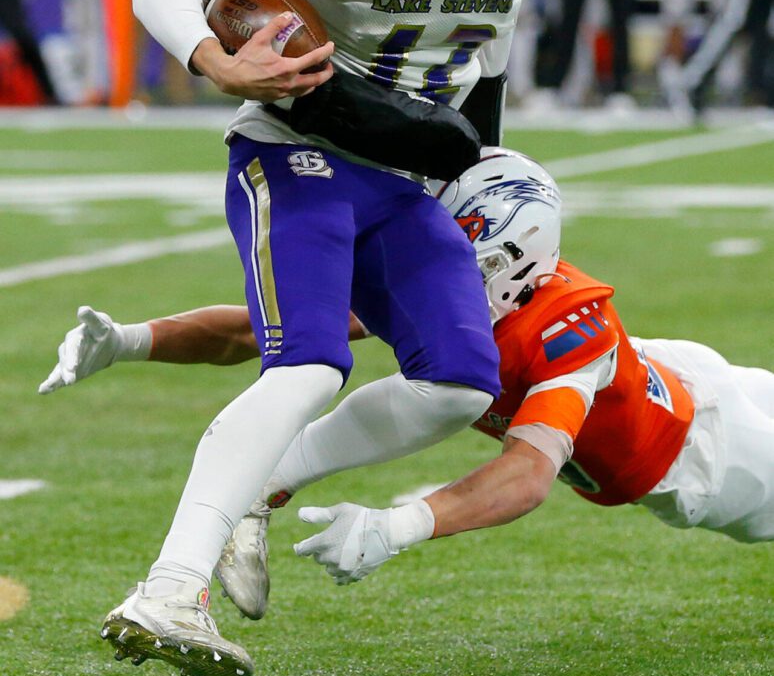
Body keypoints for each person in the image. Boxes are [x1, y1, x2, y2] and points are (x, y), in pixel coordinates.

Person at [66, 0, 585, 676]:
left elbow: (491, 26)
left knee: (459, 382)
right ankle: (168, 586)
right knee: (307, 364)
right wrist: (221, 57)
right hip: (297, 143)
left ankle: (261, 486)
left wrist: (478, 158)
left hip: (405, 165)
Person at [44, 149, 774, 612]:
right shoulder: (477, 291)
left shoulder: (564, 332)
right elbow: (259, 327)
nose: (437, 262)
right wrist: (134, 341)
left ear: (506, 259)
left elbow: (526, 474)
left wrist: (399, 526)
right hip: (671, 369)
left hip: (704, 455)